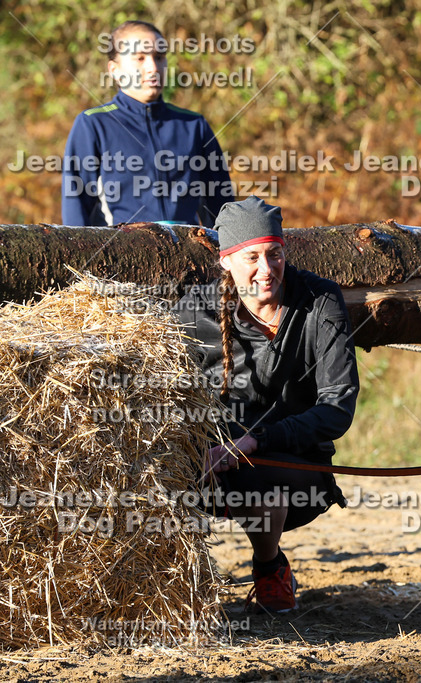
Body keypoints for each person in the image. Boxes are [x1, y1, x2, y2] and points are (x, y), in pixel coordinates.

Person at [172, 196, 359, 613]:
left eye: (274, 254)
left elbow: (338, 404)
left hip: (295, 464)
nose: (266, 268)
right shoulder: (194, 312)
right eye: (251, 256)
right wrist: (197, 448)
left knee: (269, 491)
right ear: (225, 261)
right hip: (213, 461)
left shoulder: (320, 302)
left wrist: (258, 441)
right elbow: (167, 398)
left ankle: (269, 568)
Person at [62, 20, 234, 227]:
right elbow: (76, 206)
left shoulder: (193, 125)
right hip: (122, 253)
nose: (153, 67)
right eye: (140, 58)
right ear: (114, 70)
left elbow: (221, 206)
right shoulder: (93, 124)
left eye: (159, 58)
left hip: (191, 252)